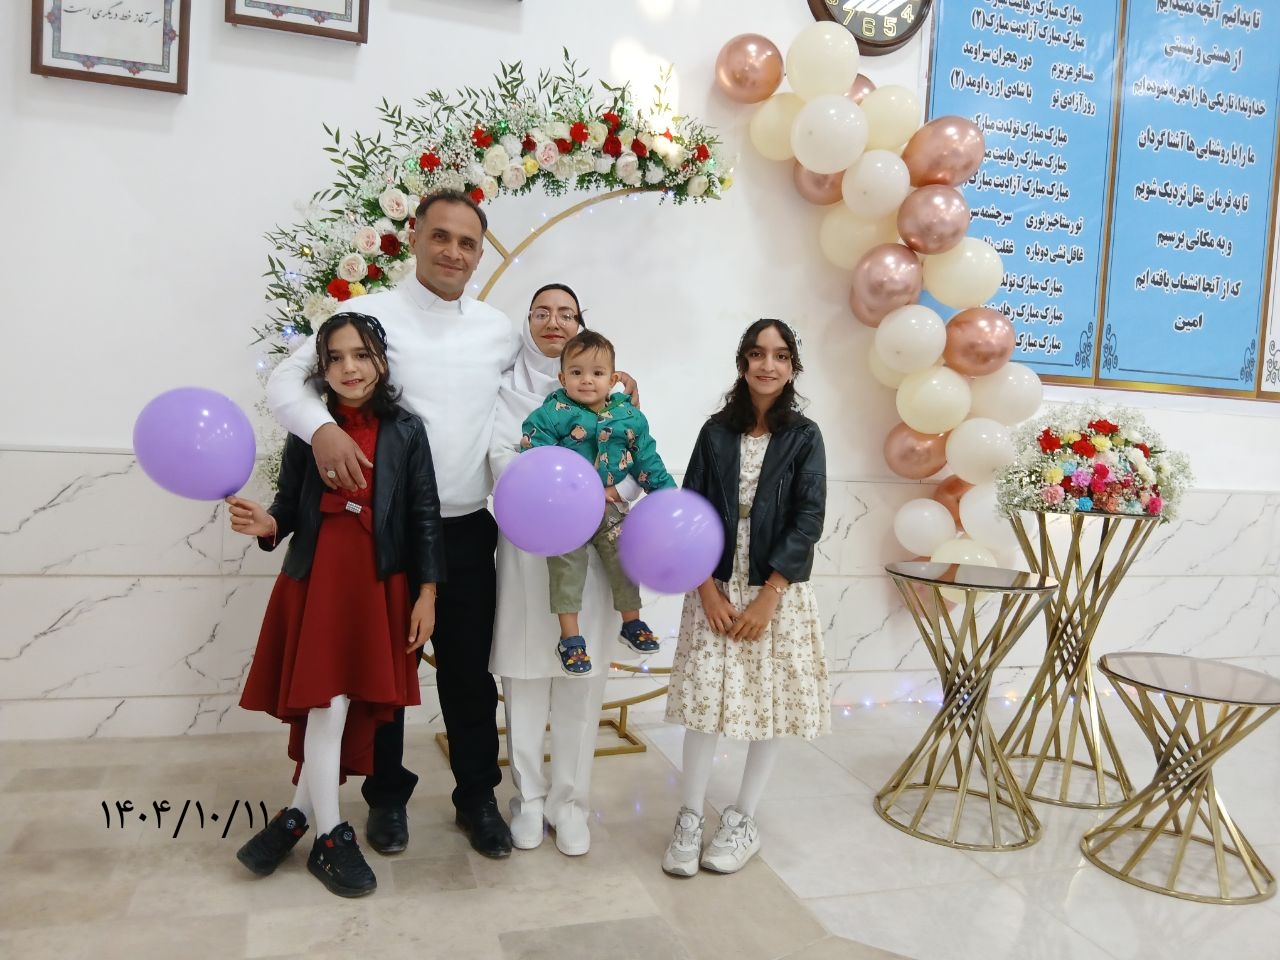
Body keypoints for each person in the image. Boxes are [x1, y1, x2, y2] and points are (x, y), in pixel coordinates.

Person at [266, 190, 520, 859]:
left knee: (469, 674)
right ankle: (385, 798)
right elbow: (286, 382)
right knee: (381, 673)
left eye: (467, 243)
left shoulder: (497, 329)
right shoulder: (371, 314)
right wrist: (321, 429)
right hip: (381, 532)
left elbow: (545, 382)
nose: (453, 252)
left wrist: (617, 387)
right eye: (441, 236)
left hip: (466, 527)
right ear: (414, 238)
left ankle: (477, 797)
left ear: (480, 253)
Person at [230, 312, 444, 897]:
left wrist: (427, 593)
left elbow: (424, 515)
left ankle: (296, 818)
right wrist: (268, 523)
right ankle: (330, 836)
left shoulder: (407, 430)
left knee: (342, 706)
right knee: (327, 705)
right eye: (335, 357)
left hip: (376, 585)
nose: (349, 367)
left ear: (382, 361)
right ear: (321, 368)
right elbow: (289, 504)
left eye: (361, 354)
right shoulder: (310, 426)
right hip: (319, 581)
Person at [660, 318, 829, 878]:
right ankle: (689, 818)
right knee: (704, 704)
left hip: (774, 589)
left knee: (770, 704)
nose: (767, 365)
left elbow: (808, 519)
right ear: (742, 363)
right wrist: (706, 589)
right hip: (714, 583)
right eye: (757, 354)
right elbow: (690, 511)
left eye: (780, 356)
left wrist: (769, 597)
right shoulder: (715, 432)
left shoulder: (804, 436)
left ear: (792, 368)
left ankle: (743, 819)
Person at [489, 284, 640, 855]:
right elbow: (499, 458)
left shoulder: (612, 395)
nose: (554, 321)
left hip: (592, 550)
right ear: (528, 322)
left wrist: (607, 489)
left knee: (582, 682)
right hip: (527, 552)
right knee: (526, 678)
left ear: (580, 323)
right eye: (542, 312)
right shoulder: (505, 390)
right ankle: (528, 799)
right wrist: (552, 484)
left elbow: (635, 465)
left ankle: (569, 803)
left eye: (566, 313)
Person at [520, 329, 675, 676]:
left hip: (611, 508)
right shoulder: (553, 413)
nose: (587, 380)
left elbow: (647, 460)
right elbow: (533, 451)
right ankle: (570, 638)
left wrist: (667, 498)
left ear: (613, 378)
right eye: (576, 372)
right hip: (568, 511)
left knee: (625, 554)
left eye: (597, 373)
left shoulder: (628, 417)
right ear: (563, 378)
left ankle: (631, 622)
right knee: (565, 565)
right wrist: (566, 487)